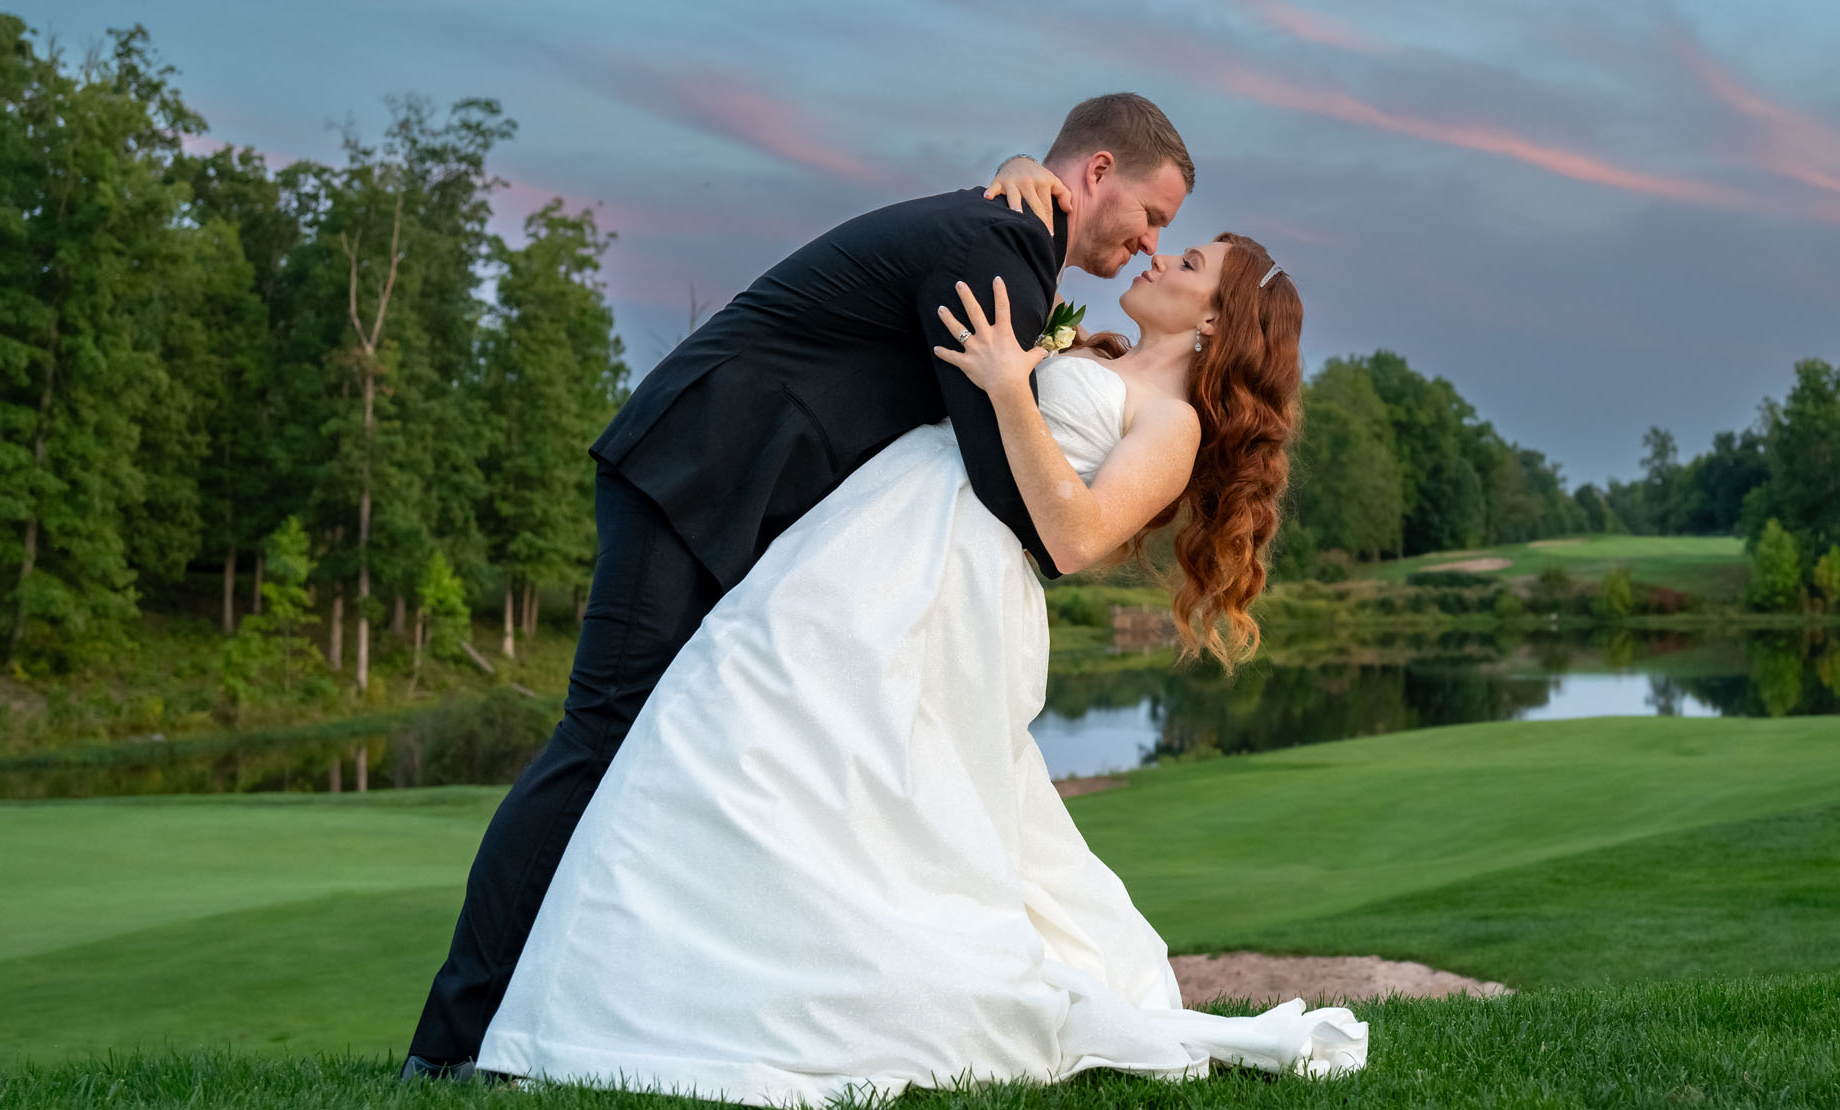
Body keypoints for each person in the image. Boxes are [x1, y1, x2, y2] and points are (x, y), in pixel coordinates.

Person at [474, 227, 1361, 1103]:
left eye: (1191, 263)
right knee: (728, 715)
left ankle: (809, 995)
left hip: (949, 583)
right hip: (863, 535)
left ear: (1214, 323)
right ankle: (622, 1001)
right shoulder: (1096, 350)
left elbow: (1077, 538)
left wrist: (1015, 390)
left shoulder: (1171, 425)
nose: (1161, 256)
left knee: (868, 774)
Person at [406, 94, 1194, 1077]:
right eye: (1152, 214)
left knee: (652, 753)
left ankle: (571, 1029)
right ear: (1094, 171)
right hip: (696, 474)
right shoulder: (1002, 244)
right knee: (597, 741)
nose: (1155, 242)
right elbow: (1001, 476)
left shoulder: (1005, 229)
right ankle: (444, 1055)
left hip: (735, 497)